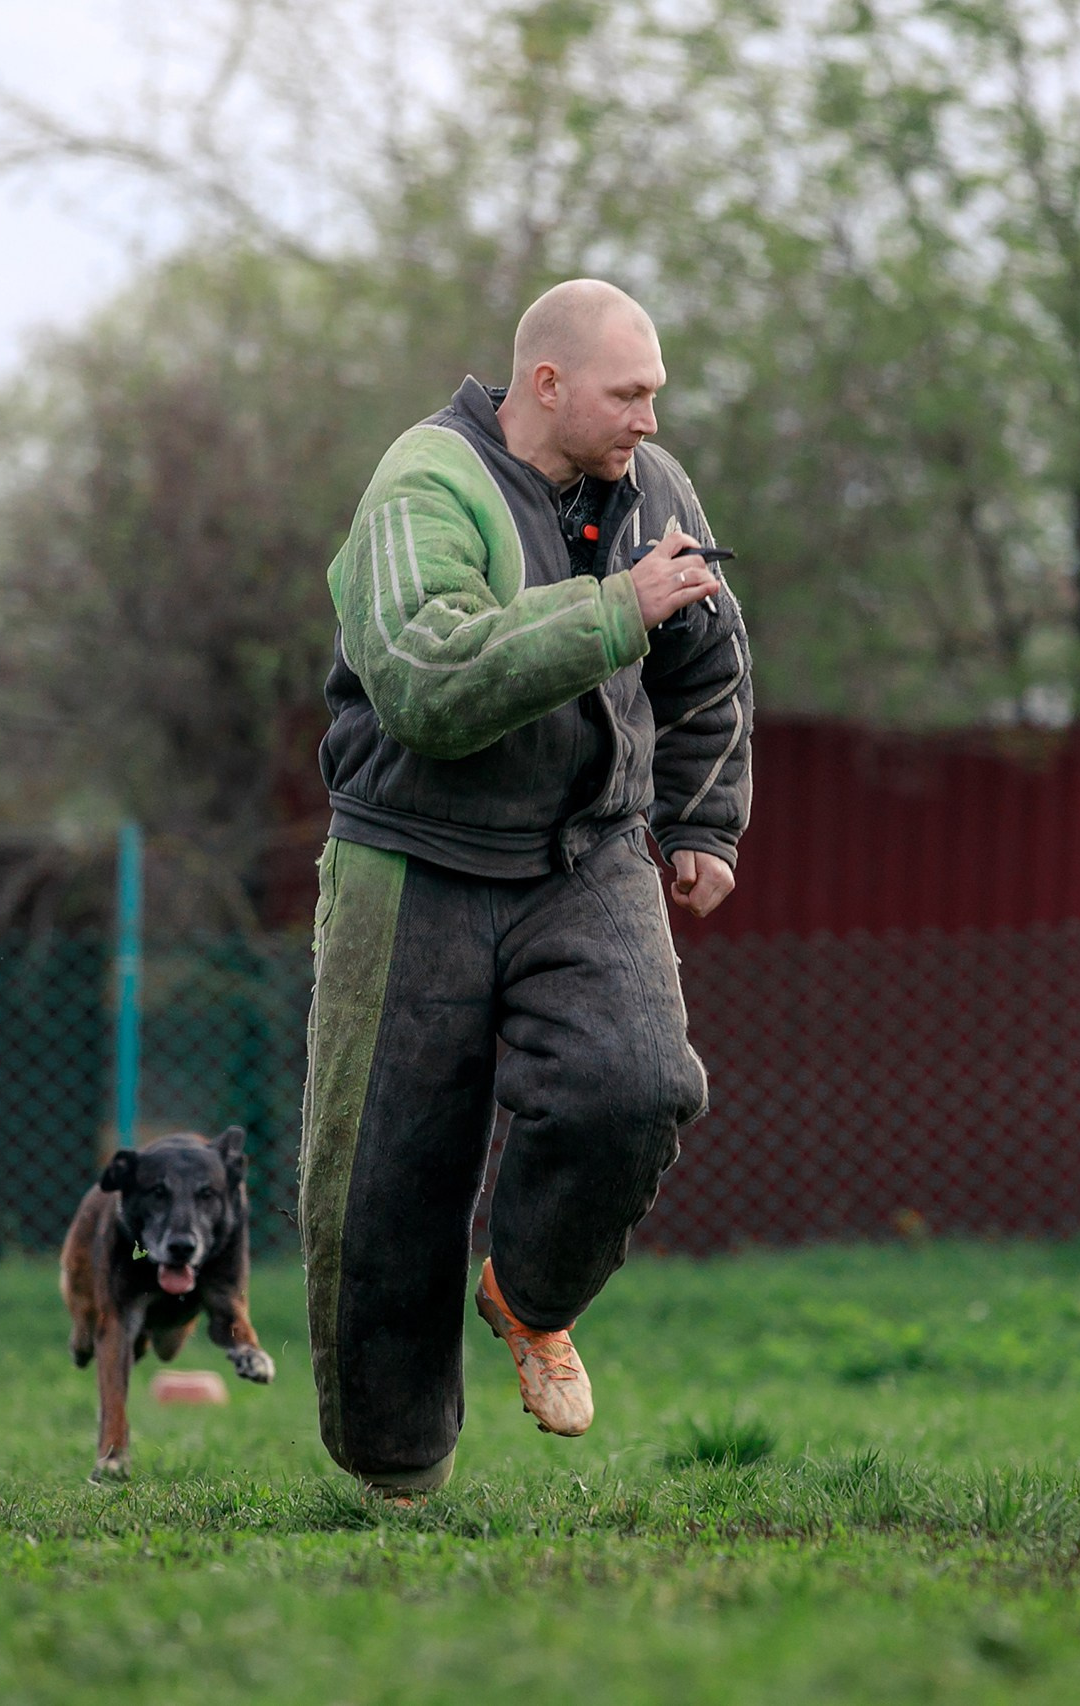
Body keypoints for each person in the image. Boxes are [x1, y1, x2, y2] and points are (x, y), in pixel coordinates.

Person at [301, 278, 753, 1500]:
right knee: (389, 1176)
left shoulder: (654, 488)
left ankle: (531, 1292)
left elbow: (709, 655)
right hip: (414, 855)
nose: (650, 419)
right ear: (545, 383)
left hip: (586, 849)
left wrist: (702, 816)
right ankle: (397, 1463)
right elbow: (425, 678)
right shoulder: (425, 485)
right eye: (630, 392)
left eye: (655, 392)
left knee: (640, 1082)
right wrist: (614, 612)